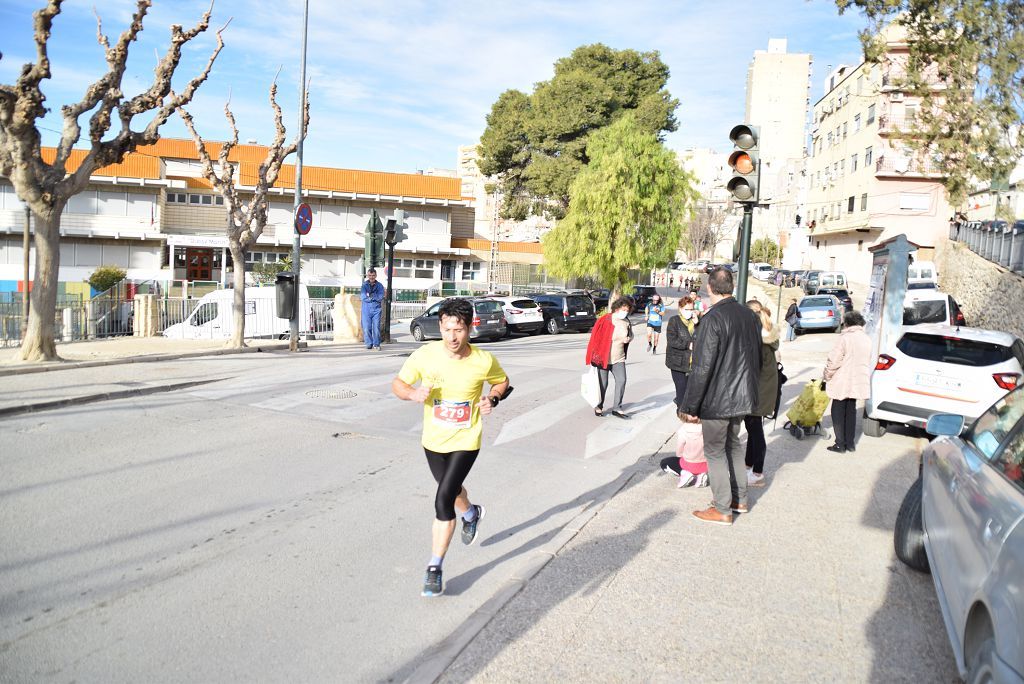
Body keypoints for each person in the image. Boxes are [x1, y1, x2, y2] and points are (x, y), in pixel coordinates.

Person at [391, 298, 511, 597]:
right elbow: (398, 384)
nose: (452, 337)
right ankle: (471, 513)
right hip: (433, 440)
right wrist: (413, 394)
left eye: (458, 330)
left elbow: (502, 382)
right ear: (440, 327)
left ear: (469, 328)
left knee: (443, 498)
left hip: (466, 440)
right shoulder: (426, 355)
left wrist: (492, 399)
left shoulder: (483, 360)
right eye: (446, 330)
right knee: (453, 490)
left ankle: (434, 567)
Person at [679, 267, 761, 525]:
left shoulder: (712, 319)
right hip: (741, 395)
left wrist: (690, 405)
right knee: (734, 445)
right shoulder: (749, 316)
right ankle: (740, 499)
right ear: (732, 288)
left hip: (718, 398)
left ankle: (723, 507)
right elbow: (756, 357)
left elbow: (702, 367)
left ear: (710, 288)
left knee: (714, 451)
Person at [823, 311, 872, 453]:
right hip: (858, 379)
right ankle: (850, 444)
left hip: (842, 379)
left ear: (847, 323)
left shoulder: (844, 338)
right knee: (851, 410)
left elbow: (834, 360)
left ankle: (840, 444)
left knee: (837, 410)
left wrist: (827, 375)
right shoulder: (866, 338)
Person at [744, 300, 780, 488]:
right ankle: (749, 466)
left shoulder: (759, 339)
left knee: (755, 431)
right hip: (762, 389)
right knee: (752, 429)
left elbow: (752, 369)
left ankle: (757, 472)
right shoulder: (765, 335)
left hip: (758, 390)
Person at [585, 296, 634, 420]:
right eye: (623, 309)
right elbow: (595, 337)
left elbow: (631, 335)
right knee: (603, 384)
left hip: (619, 358)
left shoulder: (626, 321)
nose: (625, 312)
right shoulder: (605, 319)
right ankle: (598, 405)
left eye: (627, 309)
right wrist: (593, 355)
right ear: (616, 308)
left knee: (622, 380)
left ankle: (617, 407)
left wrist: (628, 339)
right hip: (604, 357)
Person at [665, 295, 698, 408]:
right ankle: (681, 410)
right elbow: (671, 340)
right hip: (677, 361)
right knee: (681, 388)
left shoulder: (696, 321)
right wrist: (687, 345)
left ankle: (681, 403)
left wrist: (697, 323)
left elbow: (703, 337)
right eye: (686, 309)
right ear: (680, 308)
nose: (689, 312)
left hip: (692, 361)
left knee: (690, 390)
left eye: (691, 309)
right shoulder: (674, 320)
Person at [661, 414, 709, 488]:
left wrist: (680, 455)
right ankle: (701, 475)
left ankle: (685, 473)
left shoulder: (683, 429)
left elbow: (679, 450)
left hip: (688, 465)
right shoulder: (710, 427)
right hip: (707, 464)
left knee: (664, 463)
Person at [360, 268, 385, 350]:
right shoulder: (364, 285)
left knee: (376, 327)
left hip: (376, 310)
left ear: (376, 276)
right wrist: (374, 297)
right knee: (366, 328)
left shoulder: (380, 286)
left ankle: (377, 344)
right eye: (370, 275)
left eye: (373, 275)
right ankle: (369, 343)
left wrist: (370, 296)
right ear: (367, 275)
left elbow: (380, 297)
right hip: (366, 310)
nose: (371, 277)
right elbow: (363, 297)